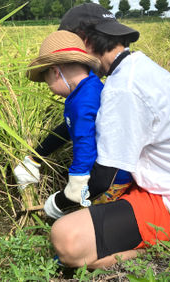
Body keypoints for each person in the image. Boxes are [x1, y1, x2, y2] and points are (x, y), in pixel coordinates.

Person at [46, 3, 170, 268]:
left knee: (65, 238)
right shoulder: (133, 69)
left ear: (87, 42)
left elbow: (105, 177)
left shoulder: (123, 88)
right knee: (82, 242)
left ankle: (164, 247)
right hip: (167, 185)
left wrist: (60, 201)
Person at [14, 30, 133, 219]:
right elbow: (68, 129)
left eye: (48, 83)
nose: (52, 91)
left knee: (76, 220)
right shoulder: (92, 86)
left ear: (55, 72)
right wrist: (35, 158)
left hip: (112, 182)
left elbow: (85, 145)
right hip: (113, 173)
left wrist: (70, 194)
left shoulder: (82, 103)